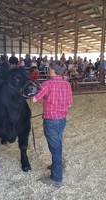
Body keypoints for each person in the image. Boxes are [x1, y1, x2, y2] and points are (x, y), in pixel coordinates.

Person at [32, 60, 73, 188]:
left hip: (51, 120)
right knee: (57, 144)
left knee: (55, 148)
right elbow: (70, 103)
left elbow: (34, 100)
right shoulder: (67, 84)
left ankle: (56, 178)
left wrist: (36, 93)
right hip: (62, 119)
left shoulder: (47, 84)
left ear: (52, 70)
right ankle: (56, 165)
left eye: (50, 69)